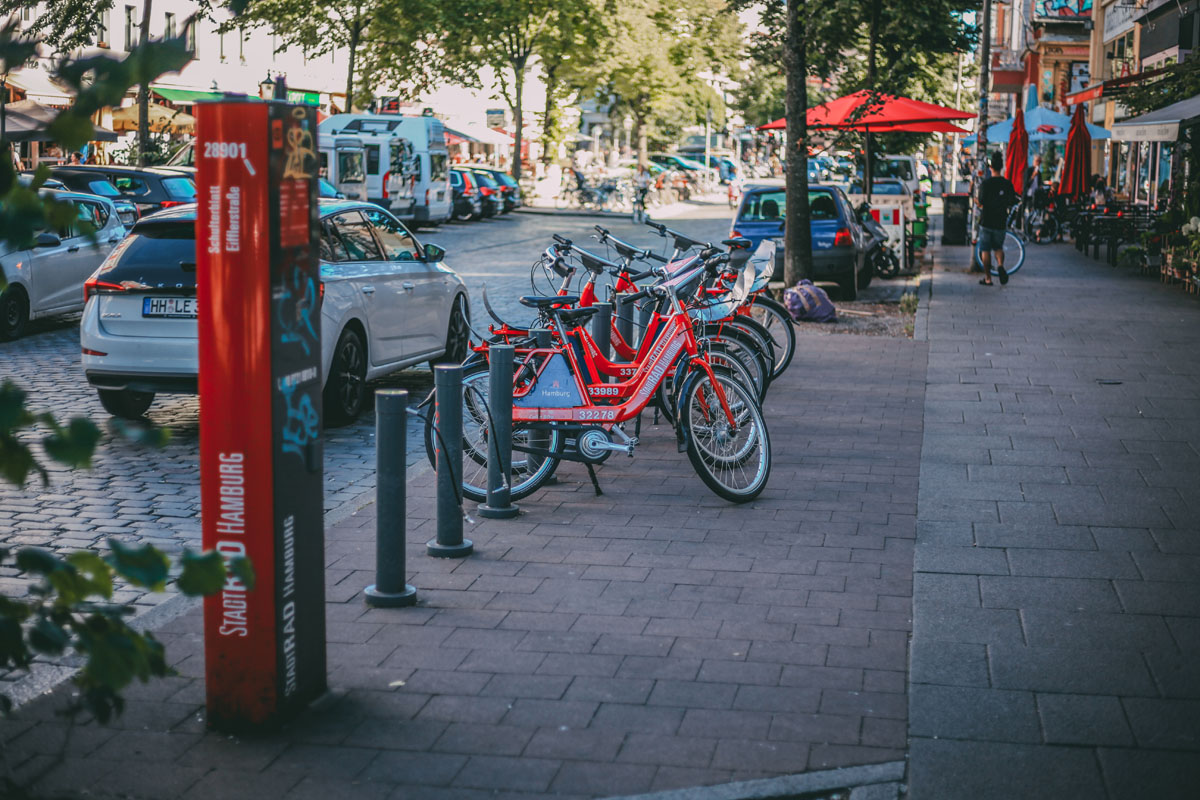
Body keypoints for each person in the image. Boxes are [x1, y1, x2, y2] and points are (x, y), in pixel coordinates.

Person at [975, 150, 1017, 286]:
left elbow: (981, 202)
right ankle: (1000, 265)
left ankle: (988, 278)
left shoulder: (985, 184)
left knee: (985, 249)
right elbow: (1012, 201)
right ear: (1002, 167)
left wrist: (977, 201)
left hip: (986, 220)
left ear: (991, 167)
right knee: (998, 247)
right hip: (1000, 221)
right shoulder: (1007, 184)